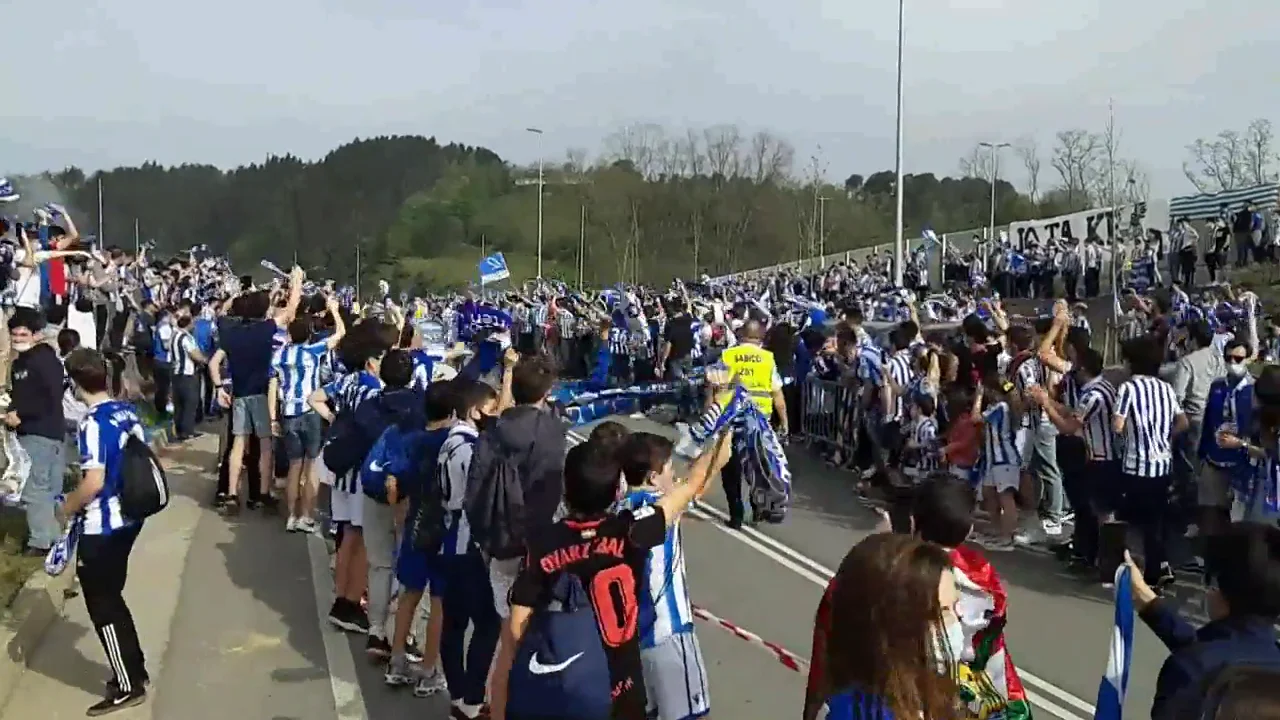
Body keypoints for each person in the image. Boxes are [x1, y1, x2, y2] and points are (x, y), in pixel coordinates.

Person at [490, 431, 731, 720]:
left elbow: (517, 625)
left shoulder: (543, 543)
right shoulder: (632, 531)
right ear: (617, 491)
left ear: (565, 489)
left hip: (559, 681)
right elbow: (692, 483)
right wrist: (726, 419)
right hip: (619, 685)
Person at [60, 348, 150, 715]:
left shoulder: (93, 422)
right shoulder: (127, 410)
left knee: (103, 605)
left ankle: (128, 685)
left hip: (103, 524)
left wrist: (66, 506)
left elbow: (93, 481)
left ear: (76, 383)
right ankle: (135, 670)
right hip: (129, 518)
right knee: (113, 596)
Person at [1124, 522, 1280, 718]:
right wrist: (1145, 599)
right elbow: (1222, 649)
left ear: (1215, 585)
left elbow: (1207, 656)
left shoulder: (1191, 671)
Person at [810, 533, 963, 720]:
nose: (957, 621)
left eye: (955, 607)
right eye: (944, 611)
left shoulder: (931, 685)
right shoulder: (852, 713)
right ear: (897, 624)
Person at [616, 432, 711, 720]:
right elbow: (698, 481)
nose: (674, 474)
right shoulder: (660, 508)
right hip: (671, 635)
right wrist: (727, 421)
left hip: (637, 639)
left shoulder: (620, 509)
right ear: (654, 477)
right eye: (669, 468)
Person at [467, 353, 564, 623]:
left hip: (495, 535)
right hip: (534, 541)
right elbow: (551, 491)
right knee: (526, 624)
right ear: (546, 391)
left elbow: (475, 485)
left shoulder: (493, 430)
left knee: (500, 618)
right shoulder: (551, 432)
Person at [268, 296, 345, 532]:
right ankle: (307, 516)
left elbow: (273, 386)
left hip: (288, 412)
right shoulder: (313, 351)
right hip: (311, 412)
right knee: (312, 466)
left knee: (294, 466)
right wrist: (334, 310)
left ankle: (291, 515)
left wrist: (272, 417)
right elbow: (340, 333)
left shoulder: (279, 356)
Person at [708, 318, 789, 528]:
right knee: (757, 465)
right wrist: (785, 422)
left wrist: (709, 415)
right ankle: (758, 509)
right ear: (761, 338)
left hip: (731, 419)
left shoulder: (728, 355)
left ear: (741, 335)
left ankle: (736, 515)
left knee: (731, 467)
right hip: (760, 422)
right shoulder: (768, 359)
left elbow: (715, 387)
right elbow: (777, 394)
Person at [8, 308, 68, 556]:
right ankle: (55, 536)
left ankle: (41, 542)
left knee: (35, 489)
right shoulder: (23, 362)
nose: (19, 339)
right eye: (15, 334)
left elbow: (50, 397)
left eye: (24, 334)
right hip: (48, 432)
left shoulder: (41, 360)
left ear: (36, 335)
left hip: (40, 432)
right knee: (49, 489)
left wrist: (20, 414)